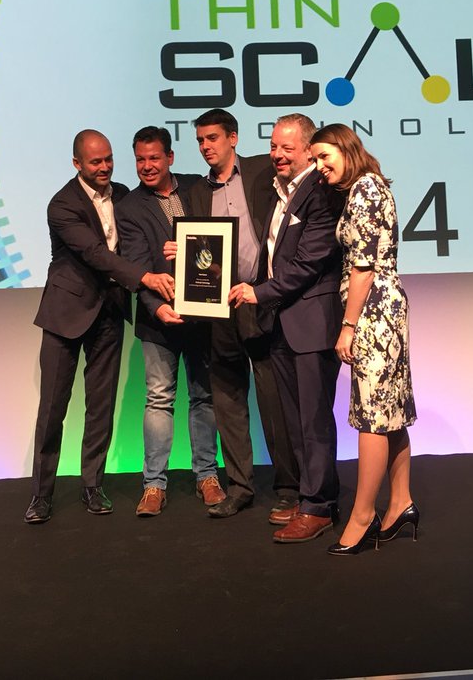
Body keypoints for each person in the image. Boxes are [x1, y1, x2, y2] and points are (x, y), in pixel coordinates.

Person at [26, 129, 175, 524]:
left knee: (101, 405)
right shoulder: (62, 204)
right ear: (77, 164)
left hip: (108, 312)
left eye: (109, 158)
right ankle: (41, 494)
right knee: (53, 408)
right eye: (96, 161)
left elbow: (137, 241)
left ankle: (93, 485)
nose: (105, 166)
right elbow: (94, 253)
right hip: (66, 313)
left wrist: (170, 249)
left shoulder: (124, 194)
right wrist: (144, 277)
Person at [229, 114, 344, 543]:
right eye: (273, 146)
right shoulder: (281, 191)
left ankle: (320, 506)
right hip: (281, 322)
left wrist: (259, 293)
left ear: (309, 151)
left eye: (286, 148)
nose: (276, 154)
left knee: (313, 420)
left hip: (311, 322)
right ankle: (306, 494)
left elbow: (308, 262)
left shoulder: (321, 191)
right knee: (294, 419)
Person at [183, 109, 300, 519]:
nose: (205, 146)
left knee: (273, 397)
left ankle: (289, 487)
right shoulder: (197, 192)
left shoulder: (263, 170)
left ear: (233, 138)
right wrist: (186, 253)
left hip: (260, 298)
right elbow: (201, 249)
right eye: (200, 140)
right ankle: (240, 487)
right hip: (219, 306)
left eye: (212, 138)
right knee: (228, 397)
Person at [309, 124, 418, 555]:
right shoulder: (364, 187)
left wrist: (348, 325)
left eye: (324, 156)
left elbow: (363, 267)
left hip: (373, 313)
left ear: (346, 148)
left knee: (372, 416)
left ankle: (363, 515)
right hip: (384, 309)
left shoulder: (365, 190)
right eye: (315, 159)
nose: (319, 166)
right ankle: (401, 503)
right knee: (390, 411)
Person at [116, 126, 224, 516]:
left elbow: (218, 243)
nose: (147, 166)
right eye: (140, 159)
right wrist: (154, 305)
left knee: (204, 397)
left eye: (154, 158)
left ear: (170, 158)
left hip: (202, 315)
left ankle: (207, 476)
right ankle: (153, 485)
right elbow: (134, 264)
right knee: (159, 399)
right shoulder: (129, 206)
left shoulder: (197, 188)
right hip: (158, 320)